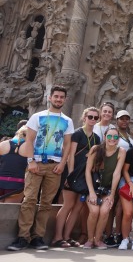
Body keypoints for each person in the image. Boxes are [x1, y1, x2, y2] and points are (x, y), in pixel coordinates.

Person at [8, 85, 75, 251]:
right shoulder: (37, 117)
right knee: (29, 199)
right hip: (36, 163)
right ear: (50, 98)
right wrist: (30, 161)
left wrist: (62, 164)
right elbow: (29, 140)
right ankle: (23, 237)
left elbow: (67, 145)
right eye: (56, 96)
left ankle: (38, 237)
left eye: (61, 97)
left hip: (54, 166)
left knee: (46, 203)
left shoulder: (68, 120)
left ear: (64, 100)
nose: (59, 99)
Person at [52, 107, 101, 248]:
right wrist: (70, 174)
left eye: (95, 118)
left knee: (78, 207)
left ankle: (67, 237)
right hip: (74, 174)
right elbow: (71, 155)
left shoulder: (97, 138)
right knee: (67, 205)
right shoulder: (77, 133)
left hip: (86, 176)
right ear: (84, 117)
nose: (92, 120)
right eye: (90, 117)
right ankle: (57, 237)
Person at [84, 126, 126, 249]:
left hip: (108, 189)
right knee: (94, 211)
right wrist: (91, 192)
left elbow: (117, 173)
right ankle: (90, 239)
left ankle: (98, 240)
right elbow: (87, 172)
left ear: (118, 139)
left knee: (104, 211)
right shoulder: (96, 149)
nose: (112, 139)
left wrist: (112, 194)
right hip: (93, 187)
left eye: (115, 137)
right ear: (104, 137)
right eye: (109, 136)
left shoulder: (121, 151)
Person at [104, 109, 133, 247]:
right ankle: (108, 234)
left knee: (121, 206)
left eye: (126, 119)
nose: (124, 121)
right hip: (114, 172)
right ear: (116, 120)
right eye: (121, 119)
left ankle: (119, 233)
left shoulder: (129, 136)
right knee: (112, 204)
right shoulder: (113, 135)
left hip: (126, 174)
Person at [0, 126, 28, 203]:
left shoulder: (2, 144)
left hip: (1, 180)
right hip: (17, 185)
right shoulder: (29, 147)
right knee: (9, 213)